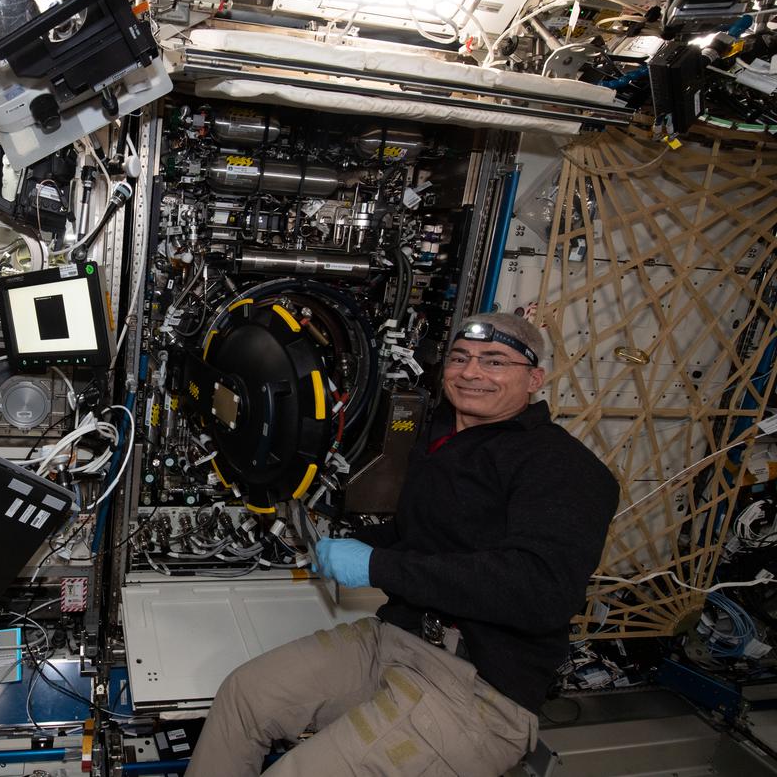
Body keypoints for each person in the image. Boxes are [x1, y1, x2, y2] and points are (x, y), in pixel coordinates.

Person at [185, 312, 619, 777]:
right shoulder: (442, 437)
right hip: (396, 638)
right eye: (460, 358)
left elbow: (538, 589)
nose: (471, 373)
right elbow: (427, 535)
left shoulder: (562, 468)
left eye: (494, 362)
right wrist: (352, 542)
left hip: (478, 687)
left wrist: (377, 567)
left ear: (535, 378)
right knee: (243, 696)